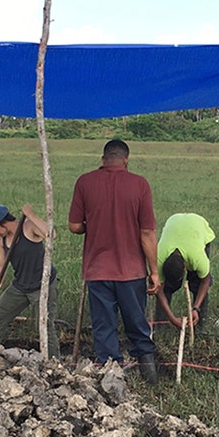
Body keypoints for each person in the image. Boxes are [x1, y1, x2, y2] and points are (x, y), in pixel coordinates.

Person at [68, 139, 161, 383]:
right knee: (137, 322)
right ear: (126, 159)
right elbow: (148, 233)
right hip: (131, 271)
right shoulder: (139, 184)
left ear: (103, 159)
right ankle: (149, 373)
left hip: (97, 269)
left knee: (104, 326)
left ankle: (112, 377)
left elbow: (74, 226)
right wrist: (154, 271)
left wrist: (93, 224)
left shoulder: (84, 182)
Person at [0, 203, 60, 357]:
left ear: (3, 223)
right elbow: (1, 264)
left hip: (42, 286)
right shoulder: (2, 241)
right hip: (20, 286)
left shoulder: (29, 228)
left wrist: (31, 214)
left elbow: (51, 234)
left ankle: (54, 363)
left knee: (44, 325)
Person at [154, 213, 215, 330]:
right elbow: (159, 289)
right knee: (167, 287)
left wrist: (196, 308)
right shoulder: (158, 258)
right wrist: (172, 318)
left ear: (185, 268)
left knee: (197, 283)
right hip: (174, 220)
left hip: (198, 226)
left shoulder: (197, 258)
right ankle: (161, 328)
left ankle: (199, 326)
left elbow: (205, 281)